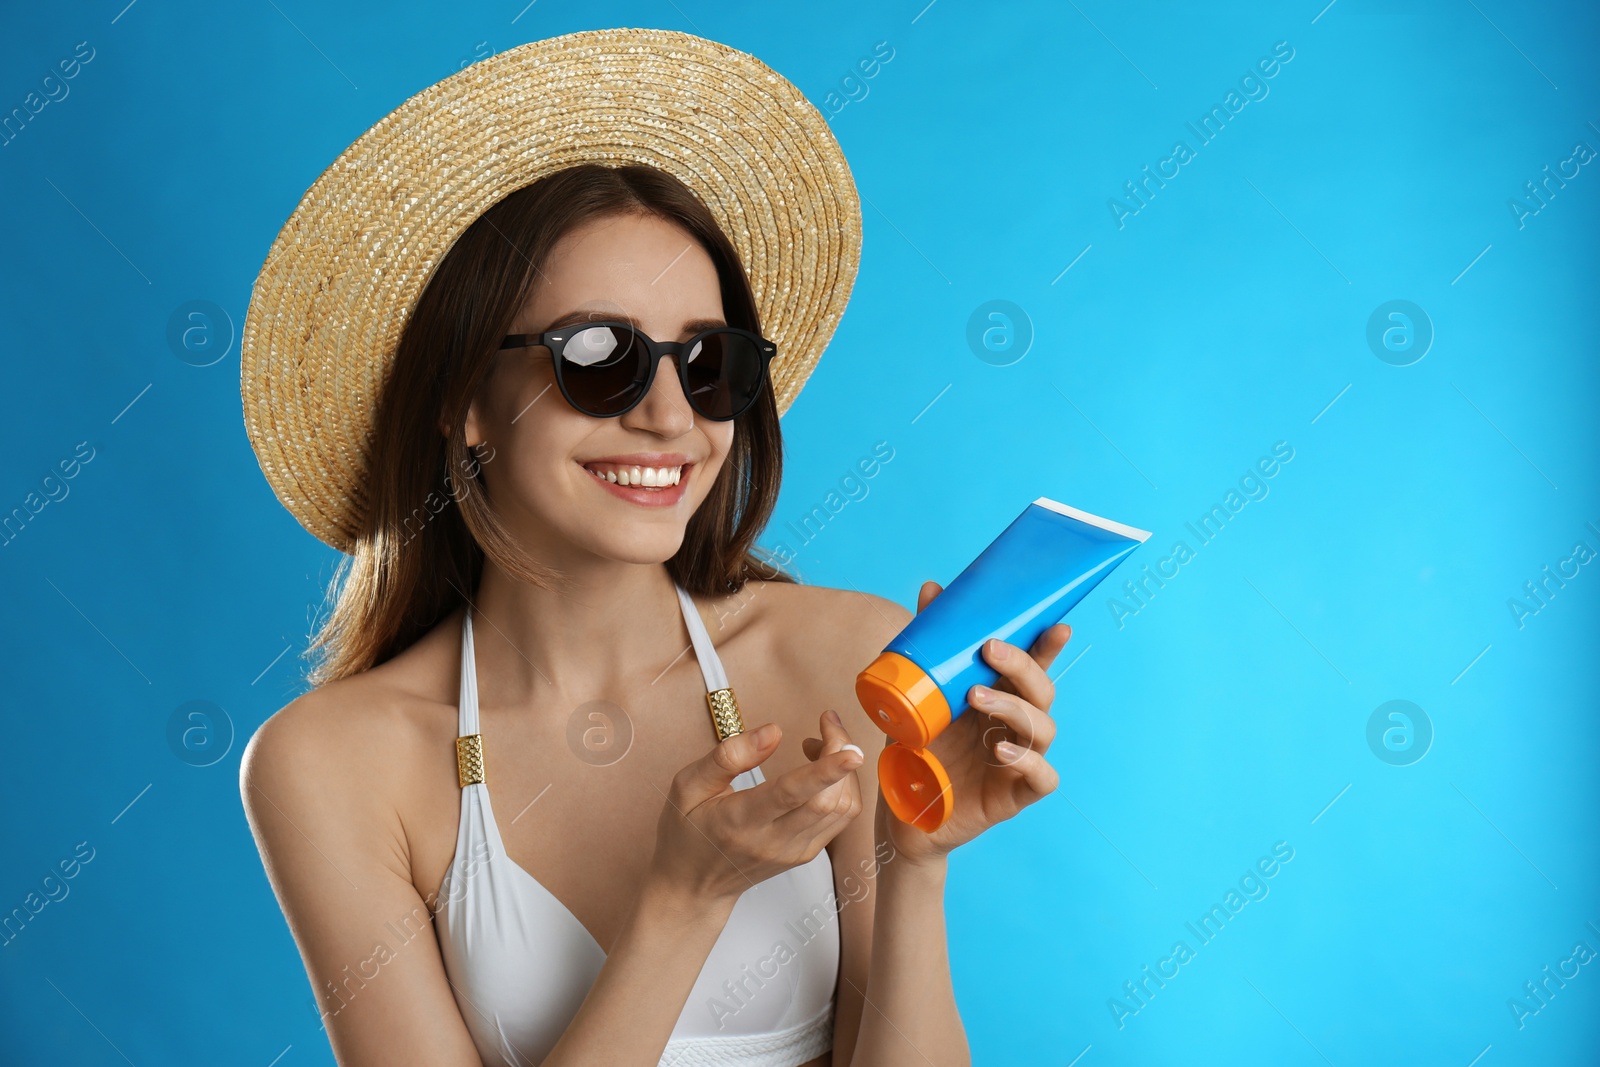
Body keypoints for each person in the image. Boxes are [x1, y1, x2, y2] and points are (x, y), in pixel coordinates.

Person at [237, 28, 1069, 1067]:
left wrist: (918, 859)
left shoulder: (845, 659)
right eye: (598, 356)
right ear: (465, 402)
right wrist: (681, 901)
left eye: (708, 361)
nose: (672, 417)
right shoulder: (330, 762)